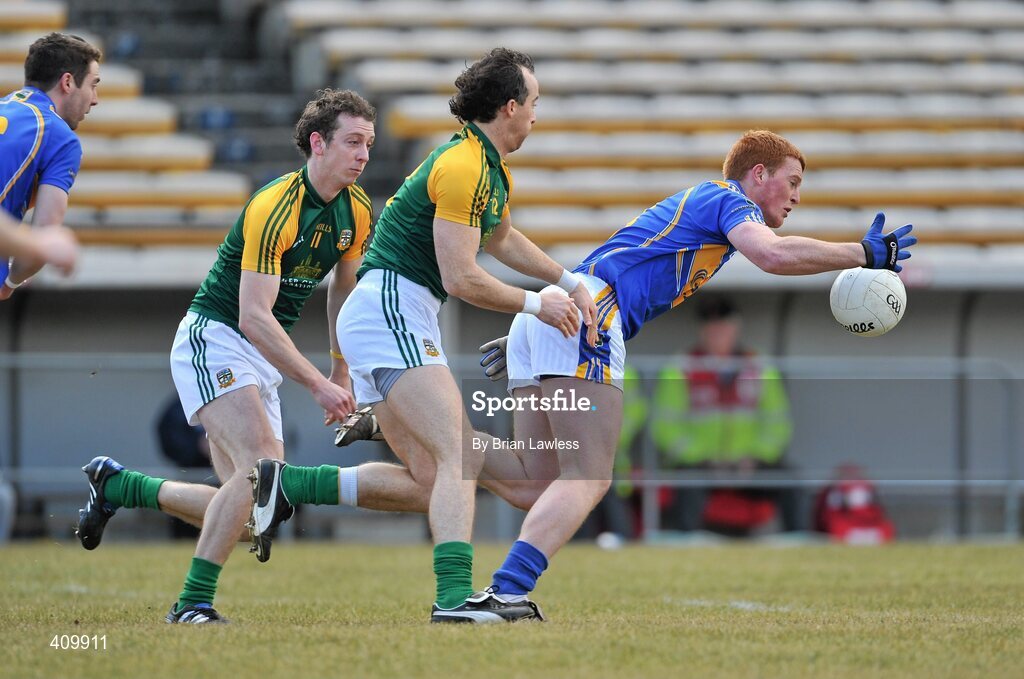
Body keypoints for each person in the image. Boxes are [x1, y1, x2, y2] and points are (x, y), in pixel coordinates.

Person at [473, 129, 915, 615]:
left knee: (534, 482)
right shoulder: (728, 199)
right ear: (758, 174)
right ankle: (508, 591)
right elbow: (773, 255)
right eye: (792, 181)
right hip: (588, 313)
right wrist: (863, 253)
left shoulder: (708, 208)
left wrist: (540, 334)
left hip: (557, 312)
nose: (797, 196)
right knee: (588, 480)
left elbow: (619, 261)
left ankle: (446, 438)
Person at [247, 47, 597, 624]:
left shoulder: (486, 166)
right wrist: (540, 304)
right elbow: (461, 276)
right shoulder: (464, 166)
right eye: (534, 103)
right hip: (393, 309)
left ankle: (288, 483)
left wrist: (565, 277)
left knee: (431, 479)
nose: (537, 114)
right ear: (509, 106)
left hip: (392, 313)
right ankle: (455, 602)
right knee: (457, 454)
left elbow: (502, 240)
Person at [75, 88, 375, 624]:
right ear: (317, 144)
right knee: (262, 469)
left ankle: (121, 485)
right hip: (216, 335)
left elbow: (341, 292)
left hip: (259, 354)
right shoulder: (274, 205)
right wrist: (318, 385)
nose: (362, 155)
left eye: (368, 144)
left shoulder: (358, 210)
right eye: (352, 142)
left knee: (253, 513)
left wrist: (340, 364)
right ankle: (191, 606)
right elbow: (253, 315)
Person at [652, 295, 800, 535]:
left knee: (792, 480)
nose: (717, 331)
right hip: (701, 465)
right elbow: (665, 428)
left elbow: (778, 424)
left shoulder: (759, 365)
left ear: (736, 327)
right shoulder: (680, 367)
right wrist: (705, 459)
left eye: (724, 324)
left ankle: (799, 544)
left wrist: (755, 457)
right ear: (701, 329)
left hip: (749, 465)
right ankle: (683, 547)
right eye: (710, 325)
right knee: (686, 484)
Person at [1, 33, 100, 296]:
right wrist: (10, 283)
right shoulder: (60, 136)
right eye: (93, 85)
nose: (95, 99)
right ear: (67, 82)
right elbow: (45, 236)